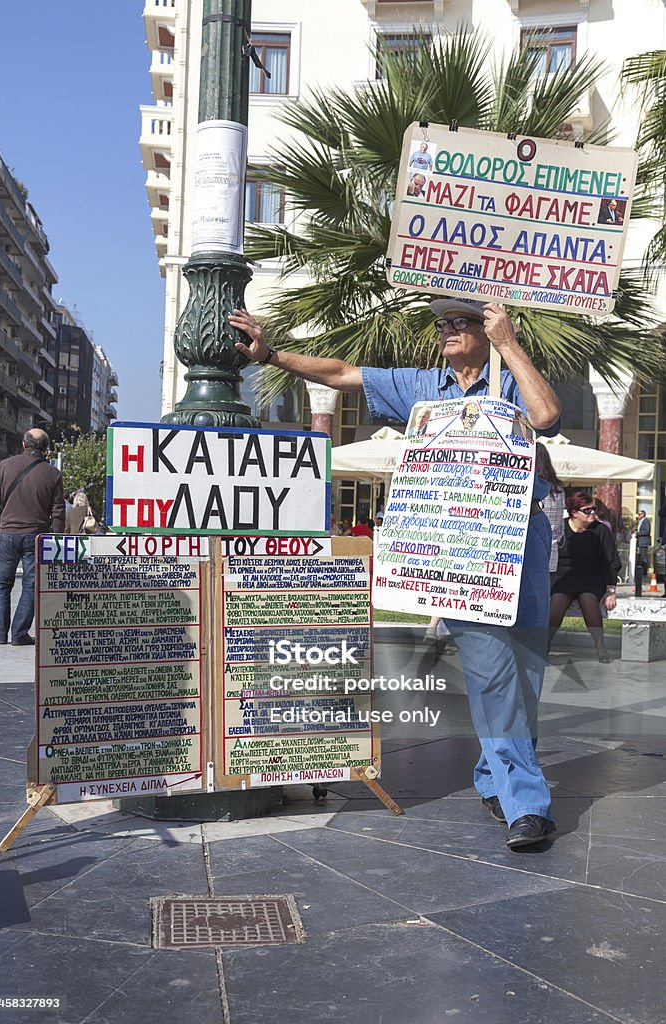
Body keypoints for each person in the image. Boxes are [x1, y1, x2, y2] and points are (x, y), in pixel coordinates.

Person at [229, 298, 561, 849]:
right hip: (458, 547)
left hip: (522, 535)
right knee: (494, 672)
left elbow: (546, 415)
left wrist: (509, 345)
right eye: (443, 325)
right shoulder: (420, 384)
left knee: (525, 673)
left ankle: (491, 775)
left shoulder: (509, 378)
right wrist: (272, 354)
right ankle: (527, 804)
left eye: (461, 322)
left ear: (489, 328)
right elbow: (340, 373)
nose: (448, 331)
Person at [0, 429, 64, 646]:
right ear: (46, 449)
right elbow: (58, 510)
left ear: (23, 444)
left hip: (7, 534)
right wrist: (56, 539)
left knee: (1, 584)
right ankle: (19, 634)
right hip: (36, 537)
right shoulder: (53, 473)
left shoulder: (4, 466)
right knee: (31, 586)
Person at [548, 492, 621, 664]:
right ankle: (544, 645)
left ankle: (600, 646)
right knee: (557, 600)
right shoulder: (561, 529)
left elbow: (610, 561)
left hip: (591, 576)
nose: (593, 514)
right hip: (563, 576)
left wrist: (610, 590)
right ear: (574, 512)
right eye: (587, 510)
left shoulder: (600, 530)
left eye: (594, 509)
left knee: (588, 599)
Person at [535, 443, 565, 574]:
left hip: (529, 548)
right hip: (551, 550)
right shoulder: (558, 489)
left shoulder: (533, 486)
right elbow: (560, 527)